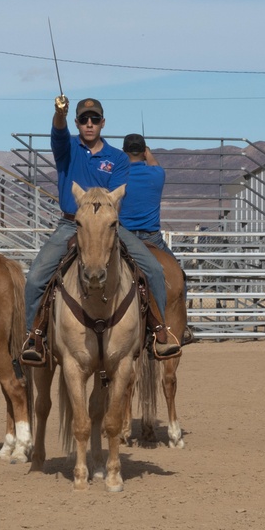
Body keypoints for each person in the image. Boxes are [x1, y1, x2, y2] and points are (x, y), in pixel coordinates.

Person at [20, 97, 181, 365]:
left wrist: (99, 214)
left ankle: (159, 331)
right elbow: (58, 131)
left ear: (103, 123)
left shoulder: (117, 158)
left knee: (153, 269)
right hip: (71, 223)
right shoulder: (67, 149)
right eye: (84, 119)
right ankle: (34, 336)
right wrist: (59, 113)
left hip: (107, 225)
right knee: (36, 277)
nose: (89, 124)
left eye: (94, 119)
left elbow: (116, 195)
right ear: (77, 123)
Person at [120, 133, 176, 259]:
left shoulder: (117, 177)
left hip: (124, 236)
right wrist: (148, 153)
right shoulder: (158, 174)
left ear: (124, 152)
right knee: (176, 271)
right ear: (144, 152)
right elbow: (154, 164)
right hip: (151, 238)